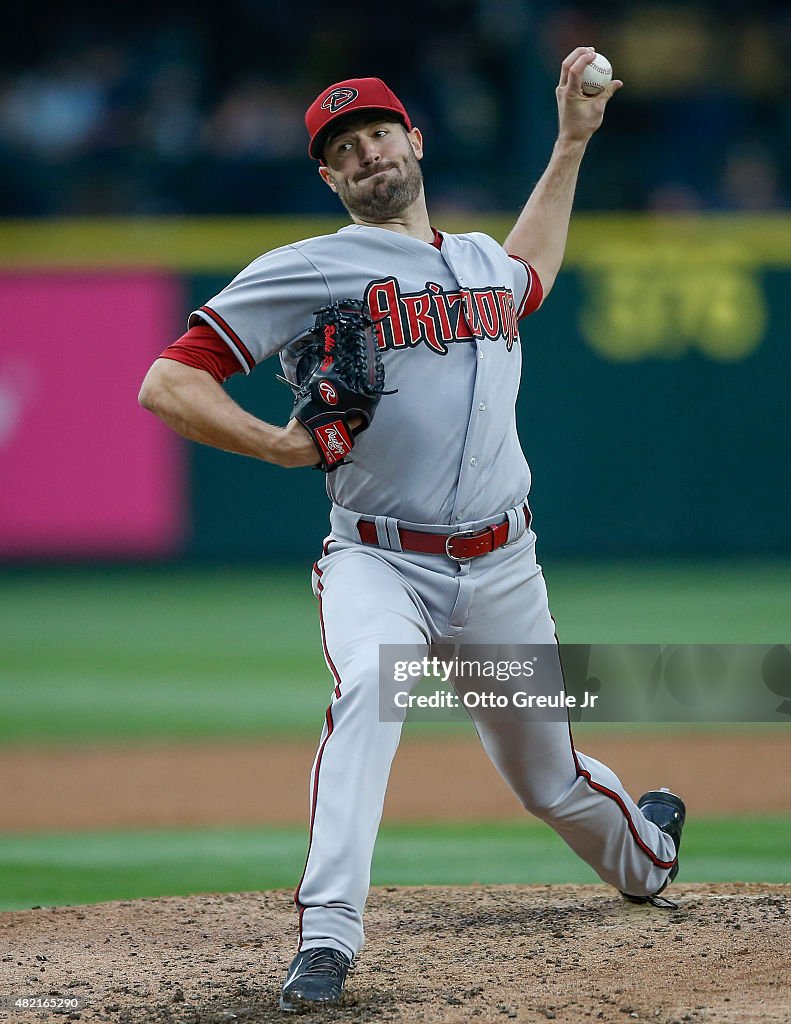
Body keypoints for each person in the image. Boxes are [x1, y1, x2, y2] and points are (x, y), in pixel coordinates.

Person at [139, 48, 686, 1013]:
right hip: (378, 561)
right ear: (327, 177)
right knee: (371, 694)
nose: (365, 155)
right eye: (342, 149)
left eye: (377, 134)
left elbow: (533, 269)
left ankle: (645, 857)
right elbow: (168, 380)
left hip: (503, 569)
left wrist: (567, 143)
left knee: (550, 783)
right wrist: (276, 444)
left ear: (414, 141)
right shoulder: (309, 268)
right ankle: (328, 935)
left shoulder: (479, 264)